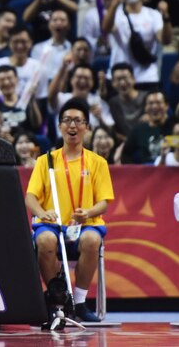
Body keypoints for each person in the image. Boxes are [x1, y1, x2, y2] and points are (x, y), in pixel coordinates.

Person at [26, 98, 114, 322]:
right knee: (44, 240)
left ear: (87, 127)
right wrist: (42, 212)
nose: (72, 126)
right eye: (66, 120)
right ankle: (58, 299)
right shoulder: (45, 161)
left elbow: (104, 201)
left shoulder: (97, 163)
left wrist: (89, 212)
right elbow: (30, 197)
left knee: (92, 241)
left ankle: (80, 302)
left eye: (77, 121)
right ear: (59, 126)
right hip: (52, 226)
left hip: (85, 226)